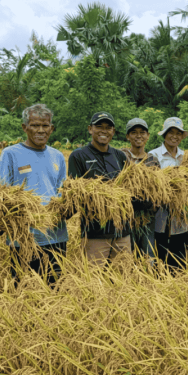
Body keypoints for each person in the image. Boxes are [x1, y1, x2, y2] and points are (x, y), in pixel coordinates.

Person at [0, 104, 67, 283]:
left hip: (55, 236)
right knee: (24, 291)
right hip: (23, 239)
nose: (41, 130)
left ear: (51, 128)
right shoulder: (10, 154)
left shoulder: (57, 156)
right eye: (35, 125)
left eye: (45, 126)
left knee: (54, 290)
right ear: (25, 127)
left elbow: (63, 192)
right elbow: (3, 195)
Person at [68, 112, 134, 267]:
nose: (104, 131)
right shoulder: (78, 156)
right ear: (90, 129)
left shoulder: (120, 156)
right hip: (95, 233)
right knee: (94, 280)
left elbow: (130, 187)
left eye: (108, 127)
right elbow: (75, 192)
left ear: (113, 132)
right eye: (99, 127)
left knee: (123, 278)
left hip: (122, 231)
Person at [149, 117, 188, 268]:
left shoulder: (187, 157)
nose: (174, 136)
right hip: (160, 216)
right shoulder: (154, 155)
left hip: (181, 218)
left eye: (178, 133)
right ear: (164, 134)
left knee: (179, 259)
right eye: (170, 132)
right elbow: (152, 187)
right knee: (160, 258)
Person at [121, 118, 160, 258]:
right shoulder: (122, 156)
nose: (138, 136)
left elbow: (159, 189)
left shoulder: (152, 159)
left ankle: (147, 278)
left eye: (142, 132)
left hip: (147, 216)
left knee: (148, 254)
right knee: (126, 254)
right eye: (134, 132)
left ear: (148, 135)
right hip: (126, 216)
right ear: (127, 136)